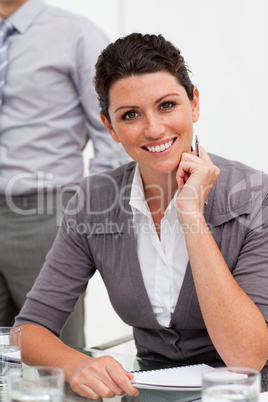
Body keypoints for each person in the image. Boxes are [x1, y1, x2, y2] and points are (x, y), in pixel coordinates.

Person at [15, 32, 268, 399]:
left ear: (193, 104)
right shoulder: (95, 199)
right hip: (149, 392)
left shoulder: (256, 196)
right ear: (110, 128)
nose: (153, 128)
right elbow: (30, 329)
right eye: (130, 115)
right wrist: (76, 364)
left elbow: (246, 358)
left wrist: (190, 214)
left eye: (167, 105)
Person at [0, 0, 131, 349]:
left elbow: (114, 127)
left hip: (43, 210)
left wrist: (90, 202)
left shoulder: (75, 35)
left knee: (55, 351)